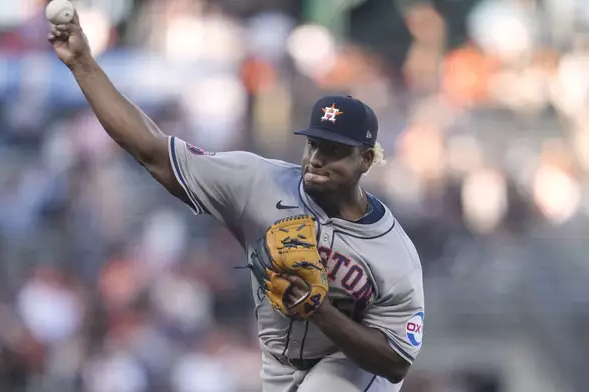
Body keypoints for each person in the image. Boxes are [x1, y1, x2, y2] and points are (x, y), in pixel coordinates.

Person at [48, 13, 424, 392]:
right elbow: (152, 151)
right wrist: (83, 65)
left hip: (355, 376)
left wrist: (321, 312)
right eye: (314, 145)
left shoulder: (393, 253)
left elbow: (395, 361)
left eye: (335, 151)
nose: (317, 159)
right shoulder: (259, 182)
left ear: (365, 160)